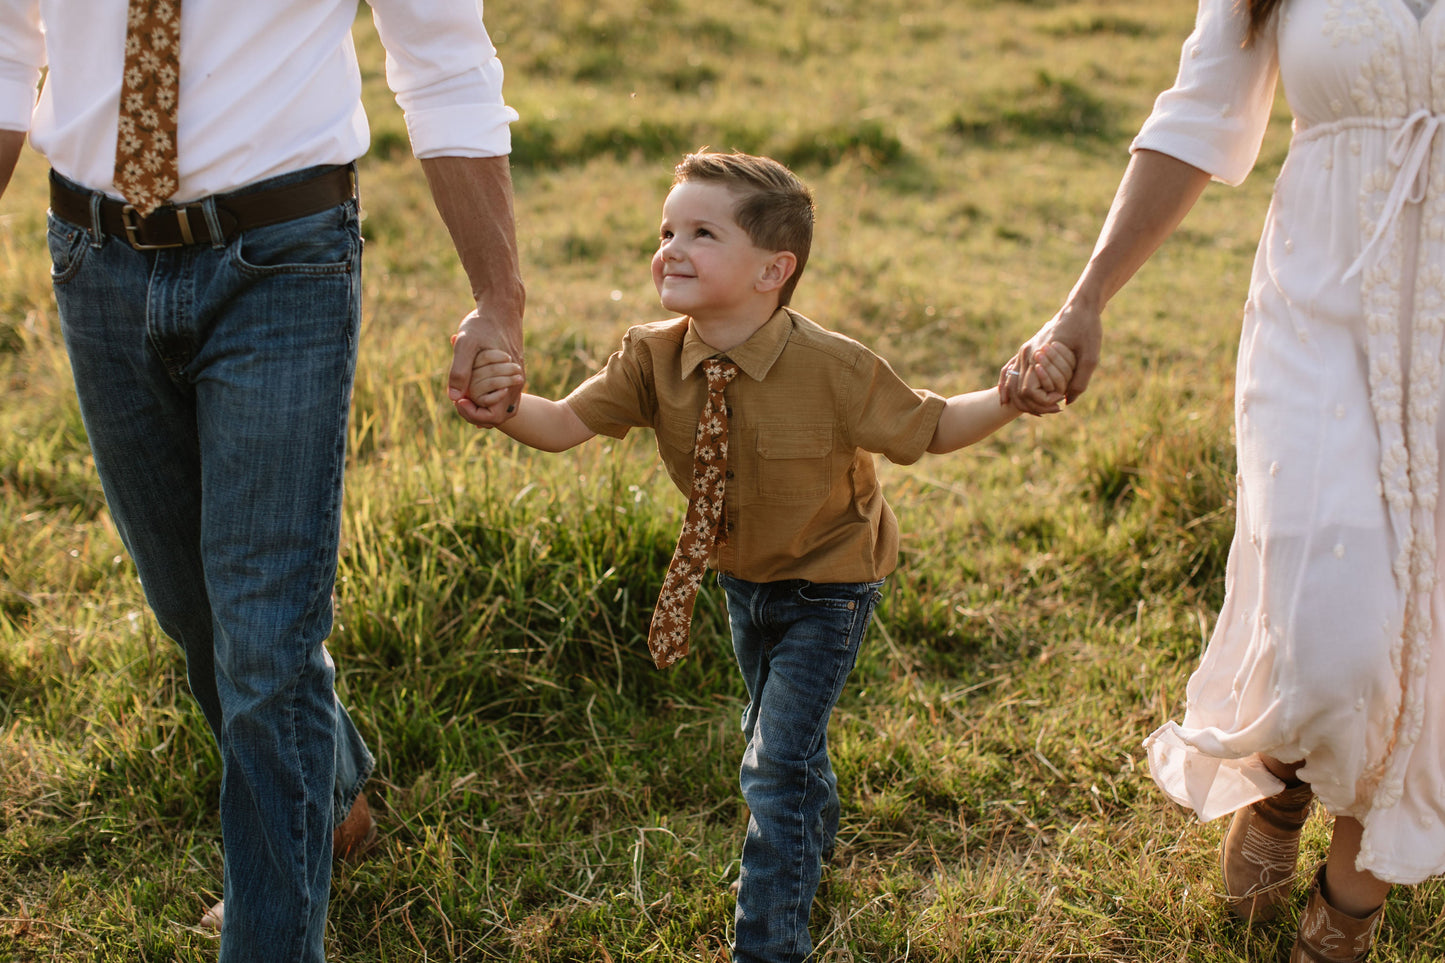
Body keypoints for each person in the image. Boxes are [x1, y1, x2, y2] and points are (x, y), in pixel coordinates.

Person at [0, 3, 525, 961]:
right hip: (92, 254)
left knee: (267, 636)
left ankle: (271, 935)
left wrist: (498, 299)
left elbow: (442, 61)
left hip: (281, 257)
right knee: (191, 606)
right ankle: (327, 796)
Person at [463, 149, 1074, 963]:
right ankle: (812, 838)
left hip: (831, 584)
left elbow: (931, 428)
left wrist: (1007, 397)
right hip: (741, 581)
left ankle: (769, 943)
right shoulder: (649, 356)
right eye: (667, 230)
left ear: (771, 270)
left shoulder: (833, 366)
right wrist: (502, 406)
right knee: (781, 737)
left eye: (702, 233)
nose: (671, 249)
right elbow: (563, 423)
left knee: (773, 762)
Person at [1002, 0, 1445, 959]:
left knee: (1426, 629)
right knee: (1332, 624)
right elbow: (1198, 116)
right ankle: (1283, 772)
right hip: (1317, 308)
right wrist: (1084, 300)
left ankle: (1351, 899)